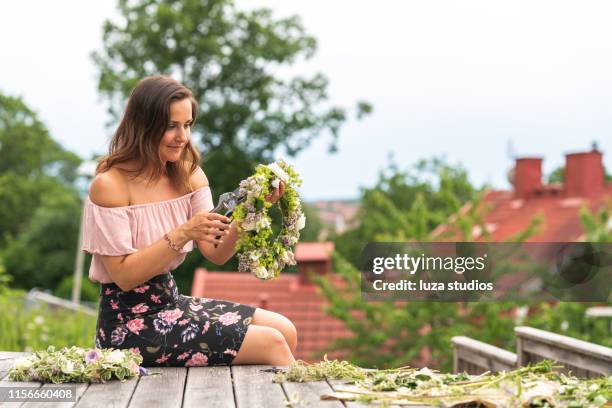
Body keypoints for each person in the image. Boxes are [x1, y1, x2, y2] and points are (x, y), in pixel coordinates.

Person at [82, 75, 297, 367]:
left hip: (171, 303)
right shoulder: (110, 185)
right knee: (271, 343)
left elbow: (217, 253)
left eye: (187, 125)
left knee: (285, 329)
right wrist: (183, 233)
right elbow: (125, 276)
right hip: (128, 325)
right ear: (144, 125)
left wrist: (253, 208)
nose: (182, 136)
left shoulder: (190, 175)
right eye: (171, 126)